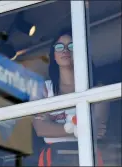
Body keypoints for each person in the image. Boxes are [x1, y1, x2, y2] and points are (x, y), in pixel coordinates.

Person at [33, 29, 109, 166]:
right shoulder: (43, 89)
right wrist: (77, 130)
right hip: (52, 158)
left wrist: (56, 128)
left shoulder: (97, 89)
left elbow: (96, 129)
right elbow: (40, 129)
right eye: (59, 46)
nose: (65, 50)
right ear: (54, 56)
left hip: (88, 154)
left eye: (72, 46)